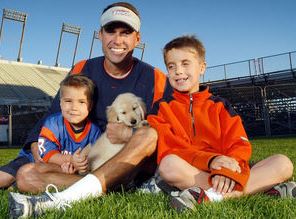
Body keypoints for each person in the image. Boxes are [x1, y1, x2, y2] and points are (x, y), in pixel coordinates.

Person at [9, 2, 172, 218]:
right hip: (87, 163)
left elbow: (167, 133)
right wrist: (36, 147)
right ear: (100, 35)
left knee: (149, 133)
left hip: (130, 165)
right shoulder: (82, 68)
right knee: (25, 176)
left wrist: (129, 134)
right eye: (110, 31)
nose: (117, 40)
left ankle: (68, 197)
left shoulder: (157, 78)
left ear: (137, 39)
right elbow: (53, 115)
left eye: (125, 33)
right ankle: (108, 188)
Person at [147, 35, 295, 211]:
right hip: (190, 171)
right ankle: (259, 189)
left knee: (283, 163)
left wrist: (225, 170)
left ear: (202, 67)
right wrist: (210, 161)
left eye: (185, 63)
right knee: (168, 165)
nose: (178, 71)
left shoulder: (220, 105)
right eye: (171, 66)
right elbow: (170, 148)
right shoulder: (161, 107)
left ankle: (209, 196)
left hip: (226, 170)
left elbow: (238, 143)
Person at [0, 74, 100, 189]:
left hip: (60, 169)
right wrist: (71, 160)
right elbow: (48, 155)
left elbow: (93, 161)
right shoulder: (53, 123)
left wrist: (80, 166)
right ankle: (11, 181)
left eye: (81, 102)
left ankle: (15, 185)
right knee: (3, 178)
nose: (74, 107)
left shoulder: (95, 131)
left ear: (90, 105)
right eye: (68, 101)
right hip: (33, 160)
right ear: (60, 103)